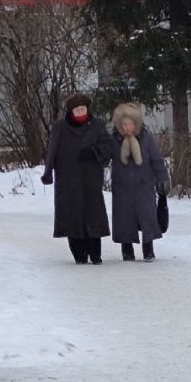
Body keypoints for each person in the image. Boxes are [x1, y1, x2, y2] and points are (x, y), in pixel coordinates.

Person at [41, 94, 113, 264]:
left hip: (91, 179)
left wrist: (95, 153)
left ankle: (95, 253)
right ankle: (79, 254)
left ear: (88, 109)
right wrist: (48, 172)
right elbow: (52, 151)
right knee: (71, 216)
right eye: (77, 110)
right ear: (71, 111)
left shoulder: (98, 126)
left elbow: (108, 147)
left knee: (93, 215)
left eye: (83, 109)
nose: (81, 112)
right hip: (67, 179)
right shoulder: (60, 128)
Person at [109, 103, 170, 261]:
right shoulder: (114, 140)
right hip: (122, 187)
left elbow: (157, 160)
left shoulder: (146, 137)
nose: (128, 128)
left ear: (136, 124)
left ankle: (148, 249)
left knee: (147, 218)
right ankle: (127, 250)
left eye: (131, 124)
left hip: (144, 186)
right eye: (124, 124)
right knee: (124, 220)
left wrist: (163, 179)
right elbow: (103, 157)